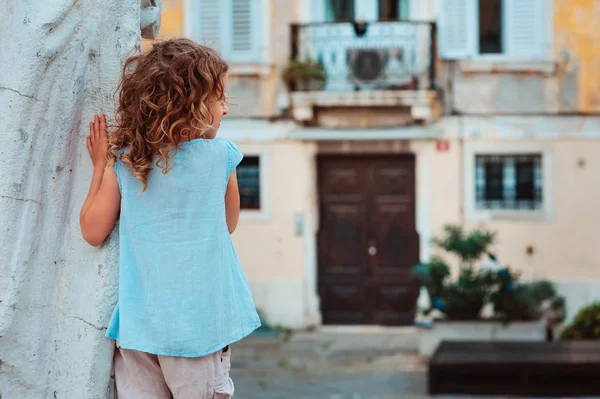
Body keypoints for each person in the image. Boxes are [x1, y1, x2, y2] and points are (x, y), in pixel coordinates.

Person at [79, 38, 261, 398]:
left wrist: (101, 164)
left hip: (140, 332)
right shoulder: (222, 155)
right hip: (200, 333)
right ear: (191, 105)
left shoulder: (128, 160)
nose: (225, 110)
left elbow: (92, 230)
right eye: (219, 99)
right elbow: (227, 224)